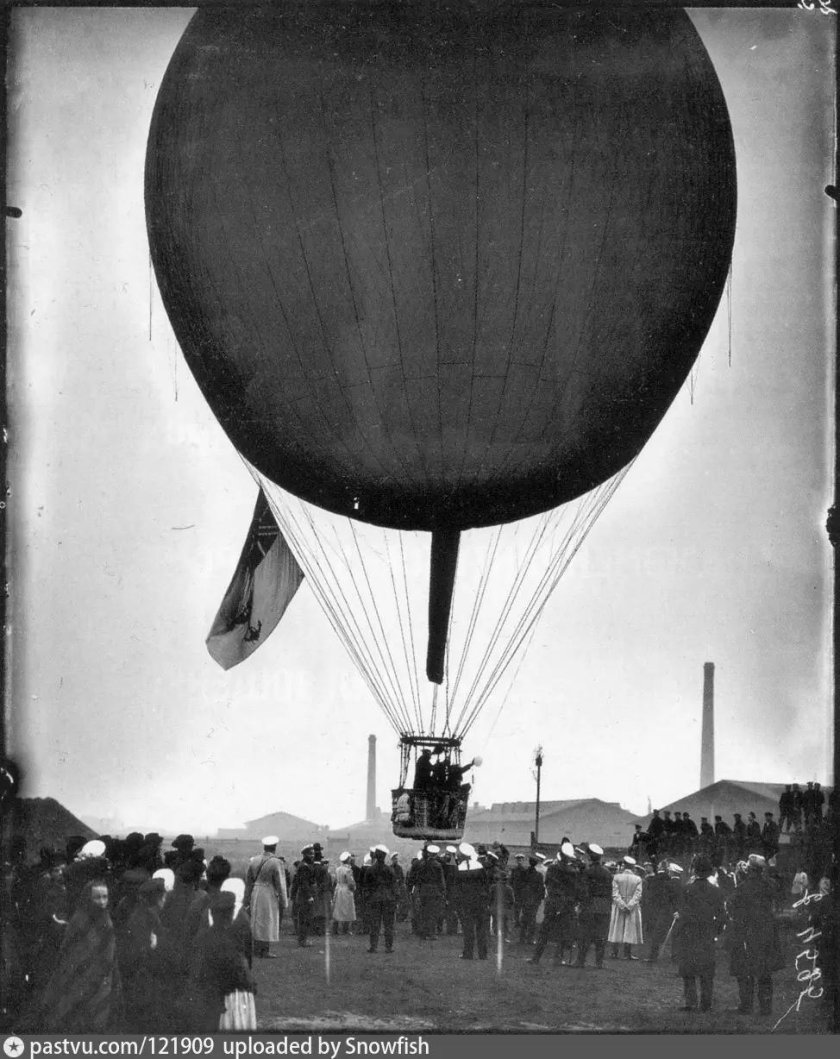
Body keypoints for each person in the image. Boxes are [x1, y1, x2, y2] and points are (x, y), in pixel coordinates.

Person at [28, 879, 123, 1032]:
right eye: (97, 897)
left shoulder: (107, 921)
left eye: (105, 897)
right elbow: (69, 955)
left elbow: (110, 955)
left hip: (102, 981)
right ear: (88, 898)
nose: (102, 902)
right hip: (80, 982)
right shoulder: (79, 921)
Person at [725, 854, 784, 1015]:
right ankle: (766, 1007)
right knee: (765, 971)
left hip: (747, 932)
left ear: (750, 870)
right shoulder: (770, 885)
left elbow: (732, 907)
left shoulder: (743, 887)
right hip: (766, 933)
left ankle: (746, 1005)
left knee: (745, 971)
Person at [188, 891, 256, 1031]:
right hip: (229, 997)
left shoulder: (202, 937)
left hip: (207, 994)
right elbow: (240, 969)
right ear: (230, 914)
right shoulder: (231, 940)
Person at [672, 854, 726, 1013]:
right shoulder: (716, 891)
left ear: (694, 870)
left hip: (689, 933)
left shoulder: (687, 889)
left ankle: (691, 1002)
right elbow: (722, 916)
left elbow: (682, 912)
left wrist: (681, 929)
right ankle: (706, 1003)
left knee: (688, 969)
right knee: (707, 970)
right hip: (707, 934)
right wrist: (715, 931)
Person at [528, 843, 581, 966]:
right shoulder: (573, 871)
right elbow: (575, 891)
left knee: (544, 932)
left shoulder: (552, 868)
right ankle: (558, 958)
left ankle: (536, 958)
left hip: (553, 904)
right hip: (566, 906)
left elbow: (549, 886)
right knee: (563, 933)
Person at [243, 836, 287, 959]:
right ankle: (264, 950)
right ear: (274, 847)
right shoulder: (276, 862)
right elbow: (280, 884)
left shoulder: (254, 860)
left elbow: (248, 882)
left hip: (255, 892)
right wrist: (284, 901)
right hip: (268, 893)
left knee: (257, 920)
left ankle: (256, 949)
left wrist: (246, 899)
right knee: (267, 921)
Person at [575, 843, 612, 969]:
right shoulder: (607, 873)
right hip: (604, 907)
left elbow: (583, 891)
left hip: (590, 906)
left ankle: (580, 961)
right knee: (601, 935)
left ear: (590, 857)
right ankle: (599, 962)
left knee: (585, 934)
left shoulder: (588, 872)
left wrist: (580, 903)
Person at [452, 843, 490, 960]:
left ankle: (468, 953)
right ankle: (483, 954)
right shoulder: (479, 866)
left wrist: (457, 902)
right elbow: (485, 884)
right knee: (481, 928)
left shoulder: (459, 868)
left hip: (466, 902)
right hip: (480, 901)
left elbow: (456, 888)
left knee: (468, 928)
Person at [642, 861, 682, 963]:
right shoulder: (682, 885)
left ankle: (653, 956)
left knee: (657, 934)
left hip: (666, 912)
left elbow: (665, 900)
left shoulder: (668, 885)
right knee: (676, 936)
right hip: (678, 913)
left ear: (671, 872)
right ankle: (675, 957)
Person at [608, 856, 643, 960]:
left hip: (619, 905)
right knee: (629, 928)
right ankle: (627, 953)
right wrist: (630, 906)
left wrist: (621, 905)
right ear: (633, 867)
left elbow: (615, 893)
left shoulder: (617, 877)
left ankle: (614, 952)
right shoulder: (637, 879)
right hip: (632, 906)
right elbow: (638, 895)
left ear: (624, 865)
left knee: (617, 927)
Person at [365, 845, 397, 953]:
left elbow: (367, 886)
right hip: (388, 899)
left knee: (374, 924)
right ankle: (389, 947)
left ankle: (373, 946)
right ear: (384, 856)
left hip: (374, 899)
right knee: (388, 924)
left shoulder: (370, 870)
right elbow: (394, 886)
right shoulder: (390, 869)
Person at [412, 845, 447, 940]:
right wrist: (443, 891)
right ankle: (431, 933)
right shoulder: (438, 865)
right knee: (433, 913)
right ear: (435, 854)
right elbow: (441, 880)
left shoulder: (422, 864)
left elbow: (418, 878)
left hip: (423, 890)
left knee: (424, 912)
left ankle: (423, 933)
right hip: (434, 891)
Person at [290, 845, 317, 948]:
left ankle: (303, 939)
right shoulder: (304, 867)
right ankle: (302, 940)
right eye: (310, 854)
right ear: (305, 855)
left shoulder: (305, 865)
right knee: (305, 918)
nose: (312, 856)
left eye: (313, 854)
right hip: (304, 896)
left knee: (306, 918)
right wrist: (309, 896)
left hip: (305, 894)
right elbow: (304, 883)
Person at [518, 855, 545, 946]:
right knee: (532, 920)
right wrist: (540, 899)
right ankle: (530, 938)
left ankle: (522, 938)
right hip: (534, 900)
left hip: (525, 899)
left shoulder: (524, 873)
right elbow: (541, 888)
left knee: (524, 918)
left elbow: (520, 886)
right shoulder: (538, 875)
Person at [332, 852, 356, 935]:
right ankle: (345, 929)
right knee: (347, 909)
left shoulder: (337, 869)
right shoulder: (348, 870)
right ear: (348, 860)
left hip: (338, 888)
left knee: (338, 909)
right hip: (346, 890)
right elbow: (351, 882)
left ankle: (336, 929)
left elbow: (336, 880)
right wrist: (353, 888)